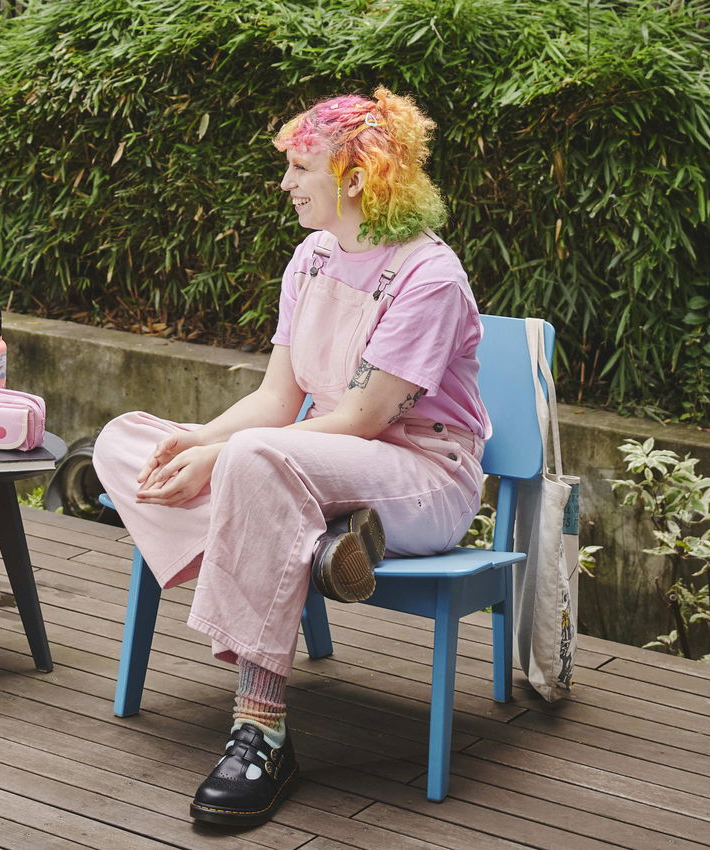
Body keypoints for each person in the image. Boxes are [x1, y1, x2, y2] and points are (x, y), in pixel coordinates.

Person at [93, 88, 489, 828]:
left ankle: (261, 729)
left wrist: (231, 455)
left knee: (251, 461)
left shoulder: (429, 277)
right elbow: (278, 401)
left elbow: (363, 418)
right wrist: (204, 439)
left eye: (300, 166)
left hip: (421, 478)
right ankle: (315, 551)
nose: (285, 183)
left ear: (356, 175)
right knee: (125, 438)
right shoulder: (310, 258)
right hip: (318, 466)